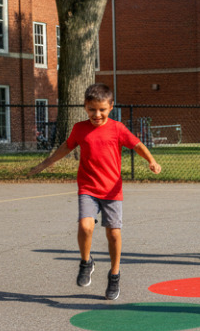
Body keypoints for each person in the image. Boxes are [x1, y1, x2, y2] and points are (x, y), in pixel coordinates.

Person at [29, 83, 162, 300]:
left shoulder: (117, 128)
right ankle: (86, 261)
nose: (96, 114)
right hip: (88, 187)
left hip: (111, 190)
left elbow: (137, 145)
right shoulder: (80, 128)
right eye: (92, 109)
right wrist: (46, 163)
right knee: (85, 225)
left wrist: (152, 161)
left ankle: (115, 274)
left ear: (110, 107)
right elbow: (66, 146)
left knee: (113, 233)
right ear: (85, 107)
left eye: (101, 109)